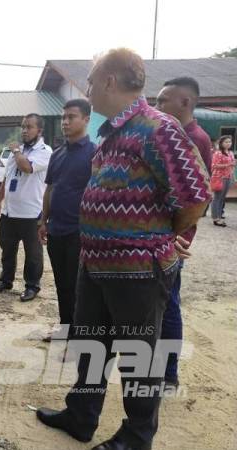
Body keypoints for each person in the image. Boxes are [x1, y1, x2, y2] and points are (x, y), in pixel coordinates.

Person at [36, 48, 210, 450]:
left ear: (110, 82)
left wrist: (161, 236)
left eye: (92, 81)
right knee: (91, 343)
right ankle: (81, 416)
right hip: (96, 263)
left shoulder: (157, 128)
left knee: (138, 357)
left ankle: (136, 437)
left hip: (138, 271)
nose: (90, 90)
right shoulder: (112, 132)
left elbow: (195, 196)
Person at [155, 76, 213, 387]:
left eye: (164, 101)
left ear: (186, 102)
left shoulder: (195, 138)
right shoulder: (173, 134)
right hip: (163, 234)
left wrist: (178, 235)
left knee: (168, 304)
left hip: (174, 239)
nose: (157, 106)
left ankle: (169, 374)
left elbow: (198, 198)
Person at [38, 99, 95, 342]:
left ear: (86, 120)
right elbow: (50, 189)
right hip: (56, 230)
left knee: (78, 287)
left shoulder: (94, 154)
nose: (65, 122)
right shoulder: (57, 154)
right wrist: (43, 221)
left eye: (72, 117)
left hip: (79, 232)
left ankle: (79, 336)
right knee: (62, 283)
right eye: (63, 118)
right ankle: (65, 329)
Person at [0, 114, 52, 302]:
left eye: (29, 127)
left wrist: (16, 151)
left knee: (33, 253)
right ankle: (6, 280)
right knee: (7, 249)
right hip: (10, 212)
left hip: (31, 213)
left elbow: (26, 167)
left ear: (39, 131)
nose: (24, 130)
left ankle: (32, 286)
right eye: (23, 127)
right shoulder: (17, 151)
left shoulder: (44, 151)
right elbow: (8, 178)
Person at [210, 135, 235, 227]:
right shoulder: (218, 153)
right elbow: (214, 165)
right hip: (219, 177)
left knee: (222, 198)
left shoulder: (231, 153)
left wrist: (232, 176)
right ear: (221, 143)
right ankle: (215, 218)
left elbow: (232, 165)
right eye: (226, 142)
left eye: (230, 142)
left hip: (228, 177)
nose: (228, 143)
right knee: (217, 198)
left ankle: (219, 215)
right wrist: (228, 164)